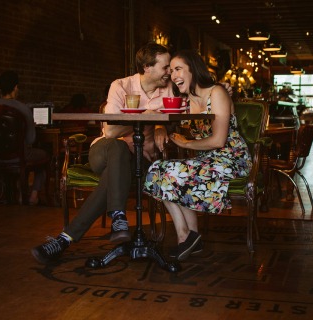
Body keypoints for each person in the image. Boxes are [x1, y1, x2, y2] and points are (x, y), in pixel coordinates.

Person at [30, 42, 175, 264]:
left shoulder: (169, 89)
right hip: (105, 150)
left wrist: (161, 126)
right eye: (165, 67)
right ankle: (116, 215)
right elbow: (111, 130)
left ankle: (67, 238)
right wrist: (148, 116)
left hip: (140, 159)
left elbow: (176, 117)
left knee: (114, 175)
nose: (170, 72)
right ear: (147, 67)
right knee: (117, 146)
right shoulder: (121, 86)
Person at [143, 50, 252, 261]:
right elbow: (158, 113)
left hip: (231, 158)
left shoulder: (217, 92)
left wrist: (188, 143)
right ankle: (189, 235)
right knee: (157, 169)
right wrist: (160, 127)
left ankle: (188, 237)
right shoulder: (186, 101)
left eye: (178, 69)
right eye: (171, 71)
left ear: (193, 70)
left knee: (175, 172)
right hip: (206, 160)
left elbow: (219, 140)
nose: (173, 76)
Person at [0, 70, 49, 205]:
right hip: (20, 156)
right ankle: (34, 195)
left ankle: (10, 194)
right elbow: (31, 140)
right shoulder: (23, 109)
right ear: (16, 88)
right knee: (45, 155)